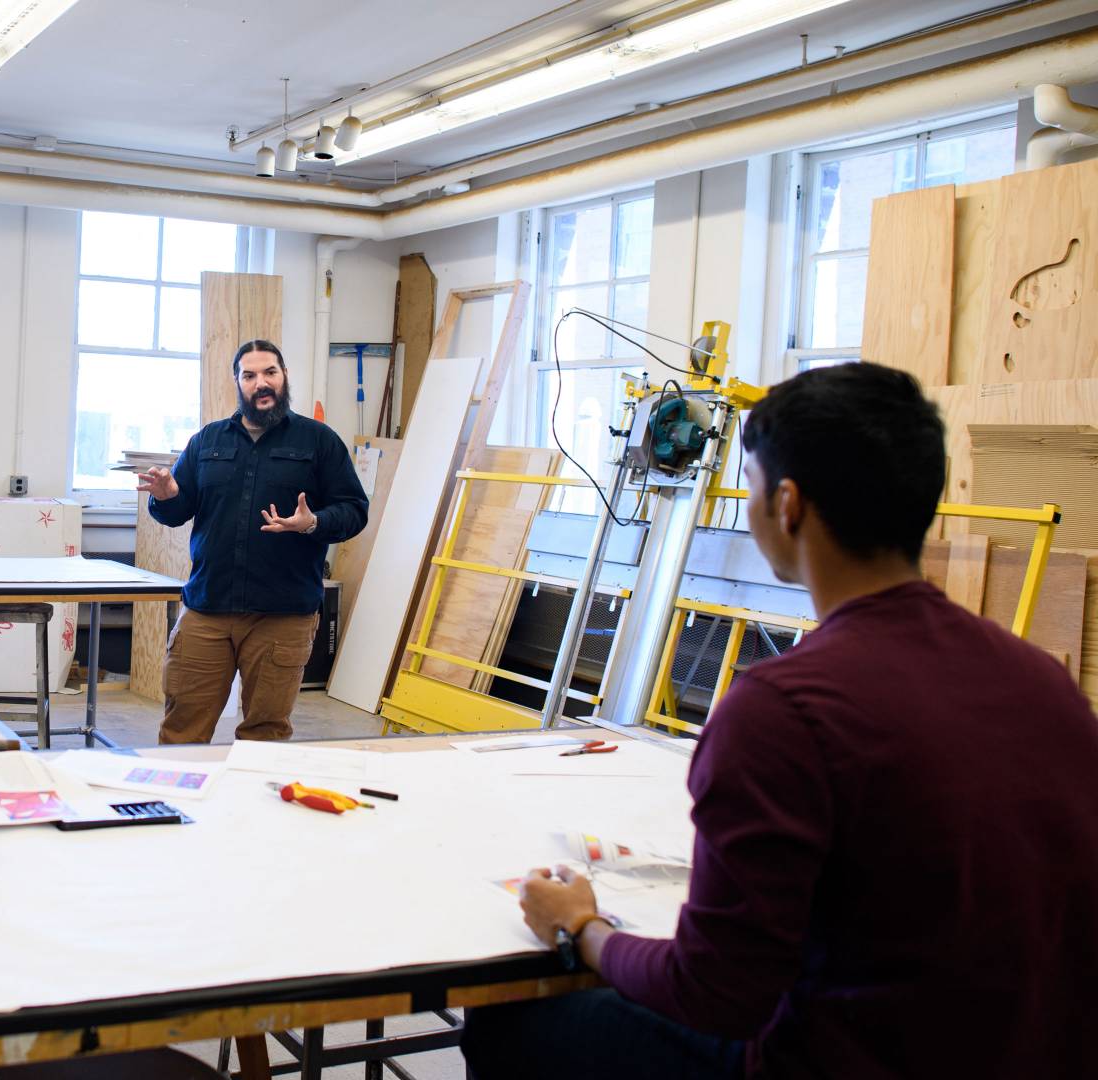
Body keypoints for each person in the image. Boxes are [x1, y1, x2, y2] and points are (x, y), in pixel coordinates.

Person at [460, 362, 1098, 1079]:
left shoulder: (783, 708)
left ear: (787, 505)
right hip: (1029, 1054)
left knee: (511, 1019)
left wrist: (582, 927)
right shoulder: (1044, 681)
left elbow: (715, 993)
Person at [137, 340, 368, 743]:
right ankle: (182, 804)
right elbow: (177, 512)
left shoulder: (319, 442)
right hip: (208, 609)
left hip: (282, 615)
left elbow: (354, 509)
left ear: (284, 377)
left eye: (269, 373)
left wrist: (314, 522)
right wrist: (168, 494)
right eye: (250, 375)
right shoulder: (207, 442)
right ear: (237, 382)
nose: (261, 383)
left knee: (266, 734)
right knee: (181, 729)